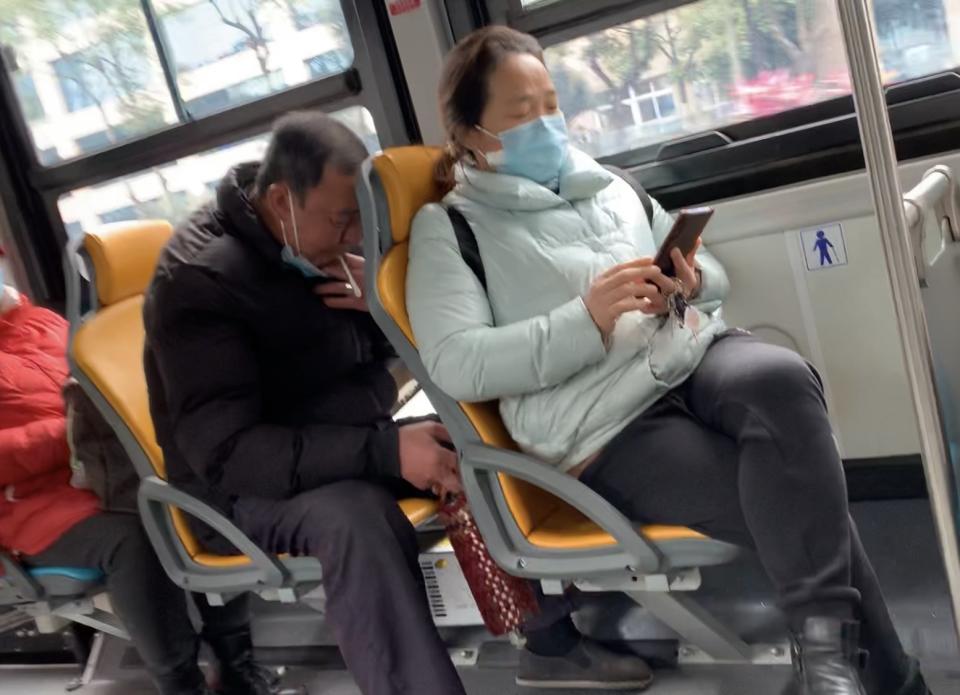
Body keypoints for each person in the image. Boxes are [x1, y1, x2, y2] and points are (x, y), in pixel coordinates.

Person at [405, 25, 932, 695]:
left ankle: (829, 671)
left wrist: (687, 282)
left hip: (687, 354)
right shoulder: (450, 229)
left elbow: (711, 273)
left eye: (550, 103)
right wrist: (588, 318)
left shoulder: (609, 184)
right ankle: (866, 676)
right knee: (801, 501)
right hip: (603, 421)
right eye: (520, 112)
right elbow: (458, 362)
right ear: (472, 131)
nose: (545, 123)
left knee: (782, 377)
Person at [142, 111, 466, 695]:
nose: (351, 239)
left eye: (358, 220)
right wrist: (385, 452)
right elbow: (230, 453)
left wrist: (384, 306)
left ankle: (550, 642)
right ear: (280, 198)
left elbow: (374, 371)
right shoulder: (198, 283)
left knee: (468, 444)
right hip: (234, 495)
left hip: (332, 443)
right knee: (357, 516)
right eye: (341, 221)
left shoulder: (308, 248)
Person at [0, 274, 270, 695]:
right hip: (35, 505)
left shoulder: (40, 323)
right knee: (134, 536)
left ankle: (238, 665)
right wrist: (69, 436)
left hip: (110, 468)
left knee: (195, 500)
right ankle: (180, 684)